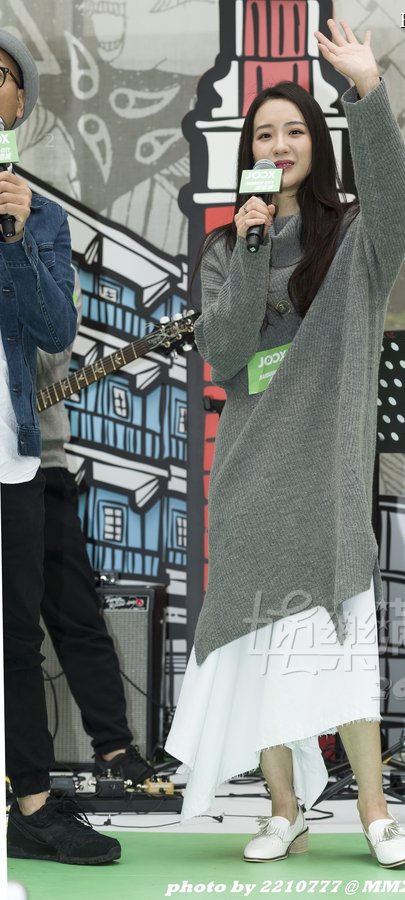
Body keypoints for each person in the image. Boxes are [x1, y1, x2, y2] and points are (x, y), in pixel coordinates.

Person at [166, 20, 405, 866]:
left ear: (318, 143)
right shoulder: (225, 248)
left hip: (325, 476)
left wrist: (368, 92)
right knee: (257, 648)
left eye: (294, 131)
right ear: (248, 152)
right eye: (264, 134)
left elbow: (395, 198)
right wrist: (246, 244)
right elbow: (225, 350)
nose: (279, 145)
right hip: (248, 476)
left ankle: (376, 813)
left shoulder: (356, 240)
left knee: (342, 653)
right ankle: (283, 810)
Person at [0, 28, 120, 864]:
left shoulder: (37, 216)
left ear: (20, 104)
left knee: (15, 632)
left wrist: (13, 240)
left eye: (1, 75)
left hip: (11, 454)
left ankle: (33, 805)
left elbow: (53, 330)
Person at [37, 275, 155, 787]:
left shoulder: (49, 260)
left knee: (76, 616)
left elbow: (51, 355)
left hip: (39, 466)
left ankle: (114, 748)